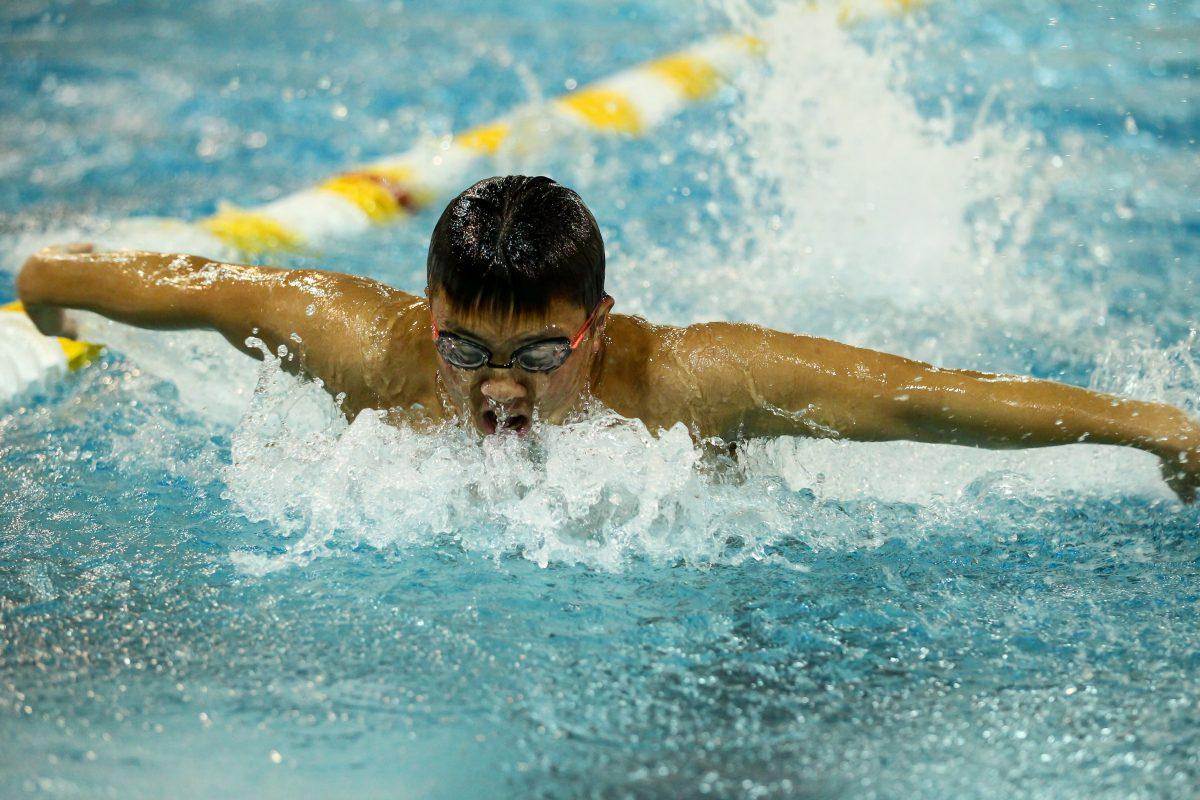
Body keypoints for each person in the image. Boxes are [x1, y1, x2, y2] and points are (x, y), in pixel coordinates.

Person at [16, 175, 1200, 501]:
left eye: (536, 357)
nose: (496, 394)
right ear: (428, 316)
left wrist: (1147, 425)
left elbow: (920, 397)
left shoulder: (686, 380)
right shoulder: (362, 344)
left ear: (595, 329)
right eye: (465, 352)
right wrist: (51, 292)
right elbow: (186, 284)